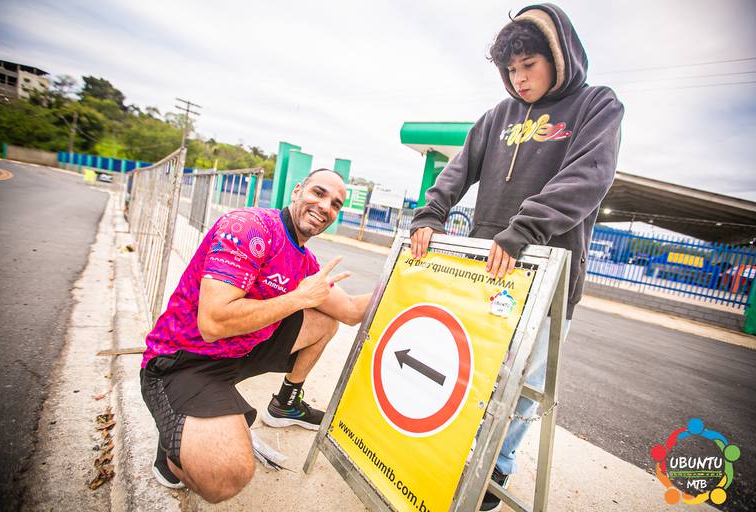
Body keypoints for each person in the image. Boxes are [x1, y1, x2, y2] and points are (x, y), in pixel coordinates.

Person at [409, 4, 623, 510]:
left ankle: (497, 465)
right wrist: (431, 212)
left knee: (524, 381)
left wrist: (523, 228)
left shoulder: (597, 105)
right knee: (473, 366)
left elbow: (589, 176)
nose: (519, 79)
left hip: (548, 271)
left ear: (559, 57)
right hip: (487, 269)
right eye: (510, 70)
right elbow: (459, 169)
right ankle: (457, 448)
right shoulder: (498, 117)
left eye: (529, 65)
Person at [140, 169, 372, 503]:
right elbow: (213, 322)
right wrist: (298, 298)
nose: (325, 207)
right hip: (183, 360)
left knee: (325, 322)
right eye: (318, 193)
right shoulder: (250, 227)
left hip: (237, 354)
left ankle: (285, 405)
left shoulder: (304, 260)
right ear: (297, 191)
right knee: (226, 477)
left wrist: (408, 281)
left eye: (335, 204)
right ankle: (174, 443)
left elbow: (349, 310)